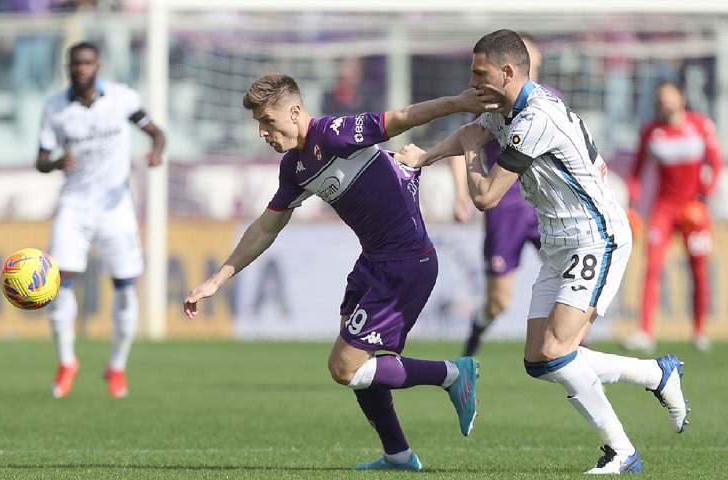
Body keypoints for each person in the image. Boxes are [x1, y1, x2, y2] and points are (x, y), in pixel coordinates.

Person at [396, 29, 689, 474]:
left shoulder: (535, 119)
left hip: (596, 236)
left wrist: (473, 154)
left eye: (479, 73)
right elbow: (471, 131)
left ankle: (622, 451)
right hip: (558, 240)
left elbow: (487, 195)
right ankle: (655, 375)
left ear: (507, 72)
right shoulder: (507, 106)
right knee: (539, 360)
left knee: (557, 349)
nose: (472, 81)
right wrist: (427, 157)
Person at [183, 73, 502, 471]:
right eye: (258, 124)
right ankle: (398, 455)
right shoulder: (295, 168)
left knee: (344, 367)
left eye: (267, 120)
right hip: (373, 261)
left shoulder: (333, 133)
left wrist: (457, 102)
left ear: (295, 111)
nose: (263, 131)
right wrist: (215, 280)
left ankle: (454, 374)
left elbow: (402, 116)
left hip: (405, 263)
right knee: (357, 360)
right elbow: (266, 226)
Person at [37, 41, 166, 399]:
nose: (81, 68)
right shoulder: (55, 108)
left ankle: (117, 367)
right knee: (59, 285)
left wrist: (155, 153)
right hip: (74, 207)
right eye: (76, 63)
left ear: (98, 66)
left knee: (126, 288)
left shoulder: (122, 98)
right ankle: (66, 362)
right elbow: (41, 159)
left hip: (116, 208)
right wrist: (56, 163)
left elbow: (157, 132)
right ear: (68, 66)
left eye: (88, 62)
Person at [452, 35, 544, 357]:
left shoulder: (551, 103)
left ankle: (577, 354)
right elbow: (462, 142)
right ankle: (474, 337)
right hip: (503, 207)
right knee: (499, 302)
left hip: (545, 208)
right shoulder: (489, 104)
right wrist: (460, 193)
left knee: (568, 281)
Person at [625, 81, 722, 353]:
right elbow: (636, 171)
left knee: (699, 269)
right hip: (664, 209)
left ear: (681, 97)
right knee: (652, 266)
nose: (665, 102)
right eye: (660, 98)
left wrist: (704, 197)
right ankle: (645, 331)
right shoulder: (652, 132)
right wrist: (632, 204)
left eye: (669, 96)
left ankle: (700, 331)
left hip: (694, 209)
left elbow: (715, 164)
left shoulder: (701, 125)